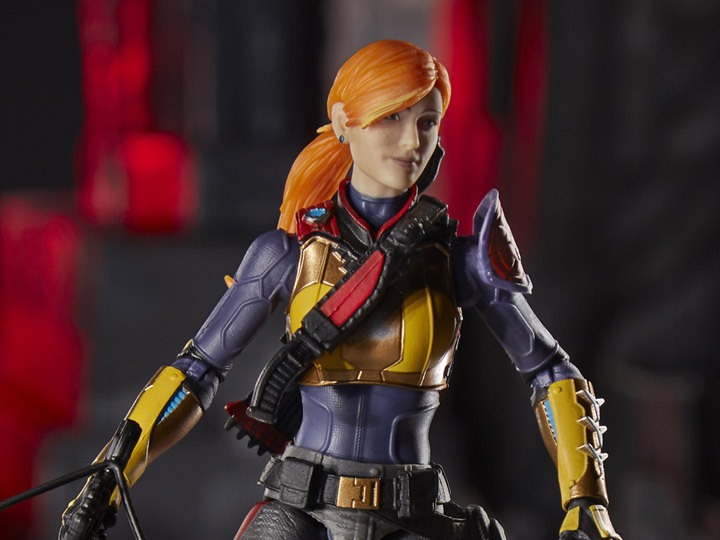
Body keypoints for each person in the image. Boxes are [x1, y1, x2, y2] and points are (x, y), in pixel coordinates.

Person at [59, 40, 621, 540]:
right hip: (301, 508)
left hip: (415, 514)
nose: (411, 141)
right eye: (390, 118)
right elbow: (196, 370)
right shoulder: (287, 254)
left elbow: (552, 372)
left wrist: (586, 500)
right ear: (343, 122)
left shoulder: (460, 260)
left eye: (427, 121)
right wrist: (112, 471)